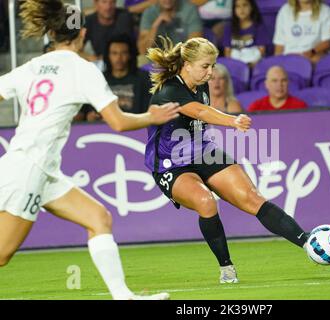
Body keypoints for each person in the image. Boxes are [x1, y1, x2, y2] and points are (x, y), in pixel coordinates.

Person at [0, 0, 180, 300]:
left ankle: (124, 296)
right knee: (2, 254)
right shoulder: (83, 70)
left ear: (51, 33)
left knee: (99, 218)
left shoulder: (32, 66)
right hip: (30, 169)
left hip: (39, 169)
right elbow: (119, 122)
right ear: (82, 33)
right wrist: (152, 116)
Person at [145, 36, 310, 283]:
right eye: (205, 66)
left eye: (213, 66)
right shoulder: (169, 91)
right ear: (186, 65)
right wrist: (232, 120)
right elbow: (200, 111)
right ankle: (226, 268)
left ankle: (308, 243)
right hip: (171, 162)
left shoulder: (200, 83)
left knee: (252, 198)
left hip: (203, 151)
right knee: (205, 201)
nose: (211, 73)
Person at [83, 34, 152, 121]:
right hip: (102, 129)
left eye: (123, 53)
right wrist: (91, 116)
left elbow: (149, 112)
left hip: (136, 129)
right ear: (108, 56)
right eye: (114, 53)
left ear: (130, 55)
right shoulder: (99, 80)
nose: (119, 58)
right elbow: (90, 111)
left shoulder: (144, 79)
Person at [138, 0, 203, 55]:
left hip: (183, 57)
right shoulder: (149, 12)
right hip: (157, 58)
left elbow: (194, 45)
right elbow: (143, 50)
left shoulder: (190, 9)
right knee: (142, 60)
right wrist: (155, 25)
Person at [223, 0, 270, 66]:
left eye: (245, 5)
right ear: (234, 9)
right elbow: (227, 52)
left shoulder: (259, 27)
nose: (241, 9)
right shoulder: (228, 27)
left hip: (254, 65)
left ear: (251, 7)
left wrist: (249, 66)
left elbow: (261, 51)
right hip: (235, 65)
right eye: (238, 6)